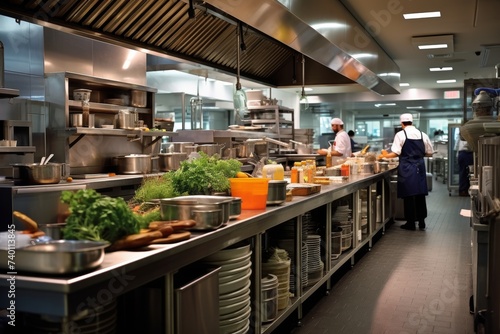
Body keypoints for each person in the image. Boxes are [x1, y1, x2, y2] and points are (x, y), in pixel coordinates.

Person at [378, 113, 434, 230]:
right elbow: (429, 152)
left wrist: (384, 156)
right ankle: (422, 221)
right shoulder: (422, 134)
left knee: (409, 194)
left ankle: (411, 223)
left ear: (402, 123)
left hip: (407, 167)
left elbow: (396, 153)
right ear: (412, 122)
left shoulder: (400, 134)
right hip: (419, 167)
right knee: (420, 194)